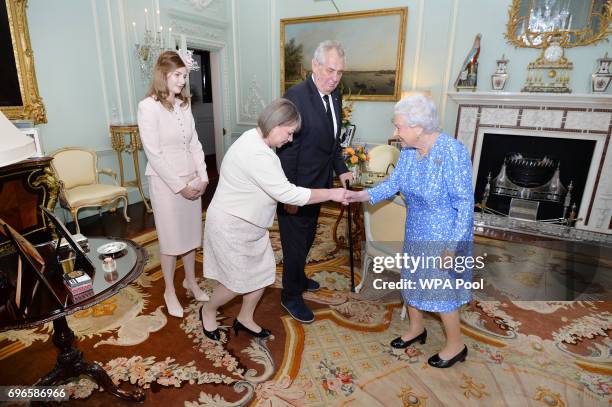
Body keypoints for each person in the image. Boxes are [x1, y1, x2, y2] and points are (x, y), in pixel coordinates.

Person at [199, 98, 348, 341]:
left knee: (261, 275)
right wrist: (332, 193)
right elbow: (288, 193)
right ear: (276, 124)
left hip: (252, 225)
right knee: (236, 283)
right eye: (289, 133)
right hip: (231, 225)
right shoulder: (257, 153)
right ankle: (208, 310)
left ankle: (245, 318)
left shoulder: (254, 139)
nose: (290, 139)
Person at [346, 95, 474, 368]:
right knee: (411, 279)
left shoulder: (452, 151)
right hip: (416, 226)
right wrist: (361, 196)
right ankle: (417, 329)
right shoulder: (408, 151)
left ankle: (456, 345)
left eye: (399, 127)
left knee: (440, 290)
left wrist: (453, 247)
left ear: (418, 127)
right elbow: (393, 184)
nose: (394, 133)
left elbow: (465, 205)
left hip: (443, 234)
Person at [276, 40, 353, 323]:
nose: (335, 78)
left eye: (340, 72)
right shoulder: (295, 97)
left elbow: (332, 143)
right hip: (296, 187)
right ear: (315, 65)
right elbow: (285, 151)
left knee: (307, 237)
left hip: (320, 186)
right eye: (330, 70)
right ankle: (290, 295)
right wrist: (289, 195)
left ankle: (299, 277)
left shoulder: (335, 95)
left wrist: (341, 168)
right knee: (294, 242)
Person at [138, 50, 209, 318]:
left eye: (185, 75)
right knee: (170, 240)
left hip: (191, 177)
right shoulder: (148, 107)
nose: (183, 81)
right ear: (163, 75)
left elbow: (194, 143)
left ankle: (190, 280)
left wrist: (202, 176)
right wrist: (180, 186)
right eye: (178, 75)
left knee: (190, 236)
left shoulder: (184, 105)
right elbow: (154, 154)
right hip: (167, 185)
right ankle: (169, 289)